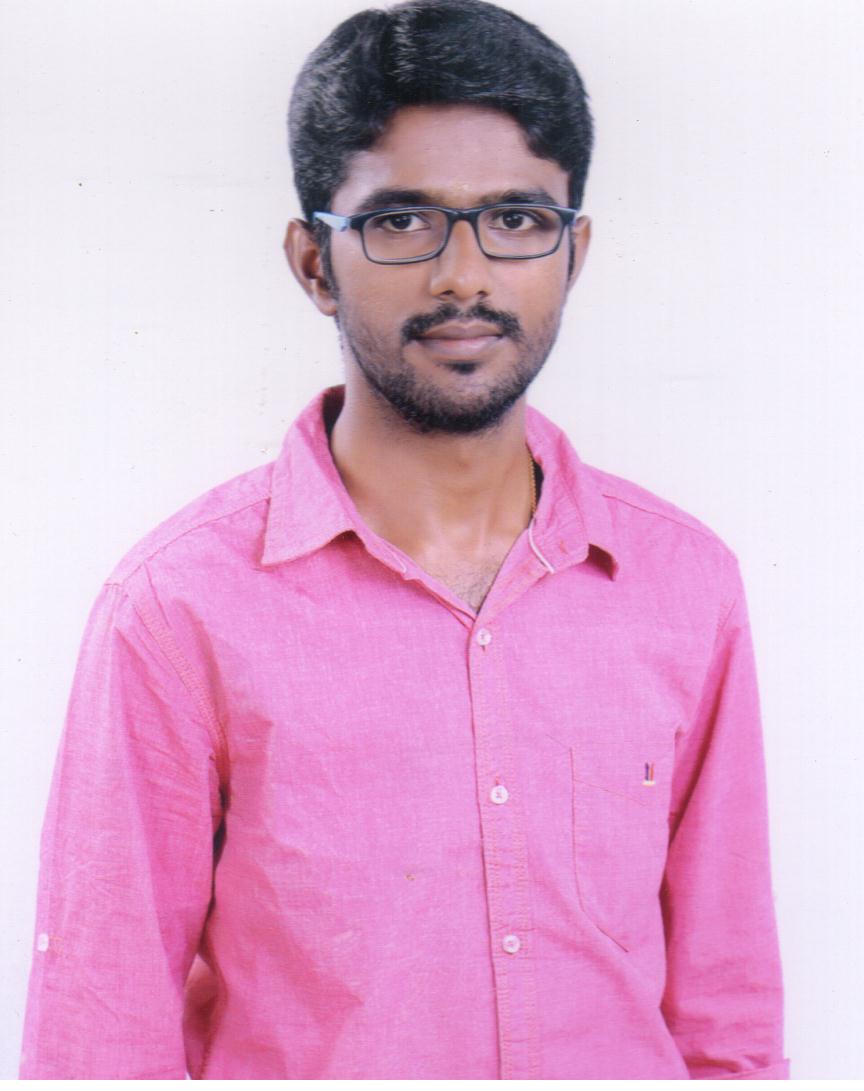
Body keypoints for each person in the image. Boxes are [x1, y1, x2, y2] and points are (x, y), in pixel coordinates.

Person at [19, 0, 789, 1079]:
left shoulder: (684, 584)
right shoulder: (178, 608)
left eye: (516, 218)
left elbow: (728, 1020)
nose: (463, 275)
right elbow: (98, 1038)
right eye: (401, 222)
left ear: (574, 252)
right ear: (313, 262)